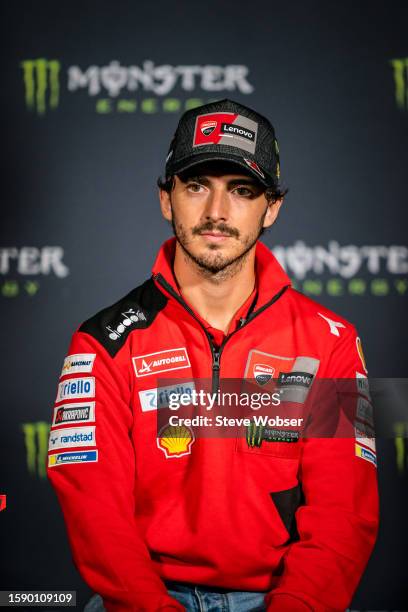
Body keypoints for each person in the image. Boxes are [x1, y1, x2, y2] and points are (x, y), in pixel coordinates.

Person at [47, 99, 379, 612]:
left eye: (241, 191)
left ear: (271, 208)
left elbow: (344, 515)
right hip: (145, 600)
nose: (216, 213)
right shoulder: (103, 343)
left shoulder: (329, 342)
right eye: (197, 186)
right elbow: (97, 516)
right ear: (166, 198)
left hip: (280, 599)